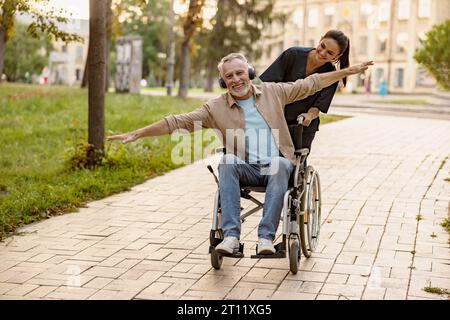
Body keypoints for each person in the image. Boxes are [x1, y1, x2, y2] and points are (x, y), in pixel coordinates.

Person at [107, 53, 373, 255]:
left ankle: (266, 238)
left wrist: (346, 71)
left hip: (276, 166)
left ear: (249, 72)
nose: (236, 79)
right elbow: (178, 122)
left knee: (280, 164)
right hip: (245, 167)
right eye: (229, 76)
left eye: (239, 73)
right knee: (227, 161)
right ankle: (231, 237)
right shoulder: (215, 108)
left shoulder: (273, 92)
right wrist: (138, 133)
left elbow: (311, 84)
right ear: (223, 81)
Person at [259, 30, 351, 154]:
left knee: (295, 164)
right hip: (275, 120)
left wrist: (309, 116)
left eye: (329, 53)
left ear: (337, 57)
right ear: (320, 39)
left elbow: (318, 107)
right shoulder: (293, 55)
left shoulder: (331, 75)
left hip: (301, 126)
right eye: (322, 46)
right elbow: (266, 85)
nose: (322, 53)